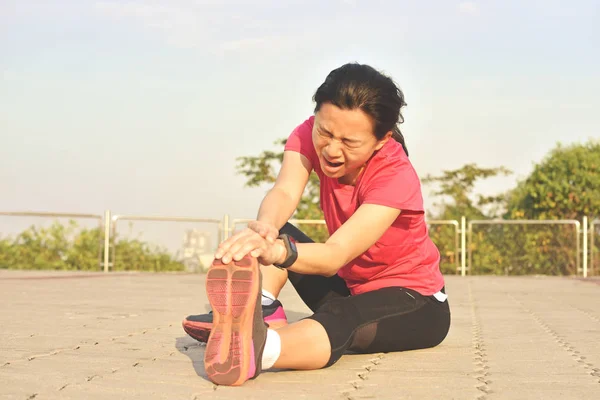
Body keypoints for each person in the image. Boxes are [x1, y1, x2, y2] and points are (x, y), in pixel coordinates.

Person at [183, 62, 451, 386]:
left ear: (381, 140)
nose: (331, 149)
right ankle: (262, 309)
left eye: (349, 142)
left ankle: (260, 348)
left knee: (341, 318)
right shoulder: (306, 134)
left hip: (417, 305)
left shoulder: (395, 174)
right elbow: (283, 191)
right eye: (324, 132)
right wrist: (264, 232)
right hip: (352, 288)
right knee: (279, 231)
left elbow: (336, 253)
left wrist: (279, 253)